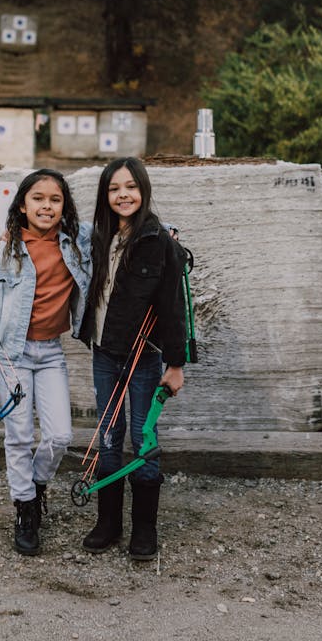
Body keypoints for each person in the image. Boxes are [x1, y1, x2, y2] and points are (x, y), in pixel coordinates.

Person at [0, 169, 91, 556]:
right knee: (18, 435)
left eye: (55, 199)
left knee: (59, 436)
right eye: (38, 198)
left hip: (50, 351)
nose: (46, 206)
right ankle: (25, 510)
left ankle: (34, 489)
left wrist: (164, 229)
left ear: (64, 205)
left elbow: (121, 228)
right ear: (22, 205)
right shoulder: (6, 249)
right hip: (9, 355)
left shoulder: (79, 242)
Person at [78, 156, 186, 561]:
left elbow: (174, 308)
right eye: (114, 189)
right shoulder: (99, 237)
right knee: (108, 438)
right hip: (104, 353)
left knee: (143, 439)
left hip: (144, 358)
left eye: (130, 187)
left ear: (143, 190)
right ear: (105, 196)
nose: (123, 195)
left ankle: (144, 530)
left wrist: (175, 366)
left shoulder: (160, 242)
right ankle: (108, 524)